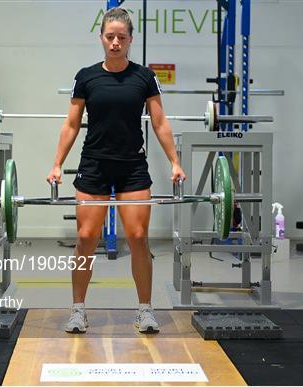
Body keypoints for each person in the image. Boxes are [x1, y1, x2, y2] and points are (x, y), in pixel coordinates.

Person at [46, 8, 185, 334]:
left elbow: (160, 122)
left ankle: (145, 310)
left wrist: (175, 161)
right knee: (85, 238)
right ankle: (78, 310)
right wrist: (56, 163)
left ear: (130, 39)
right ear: (101, 38)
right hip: (94, 164)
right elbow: (71, 124)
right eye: (110, 37)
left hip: (131, 166)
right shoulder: (87, 76)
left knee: (138, 237)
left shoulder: (144, 77)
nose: (115, 43)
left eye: (122, 37)